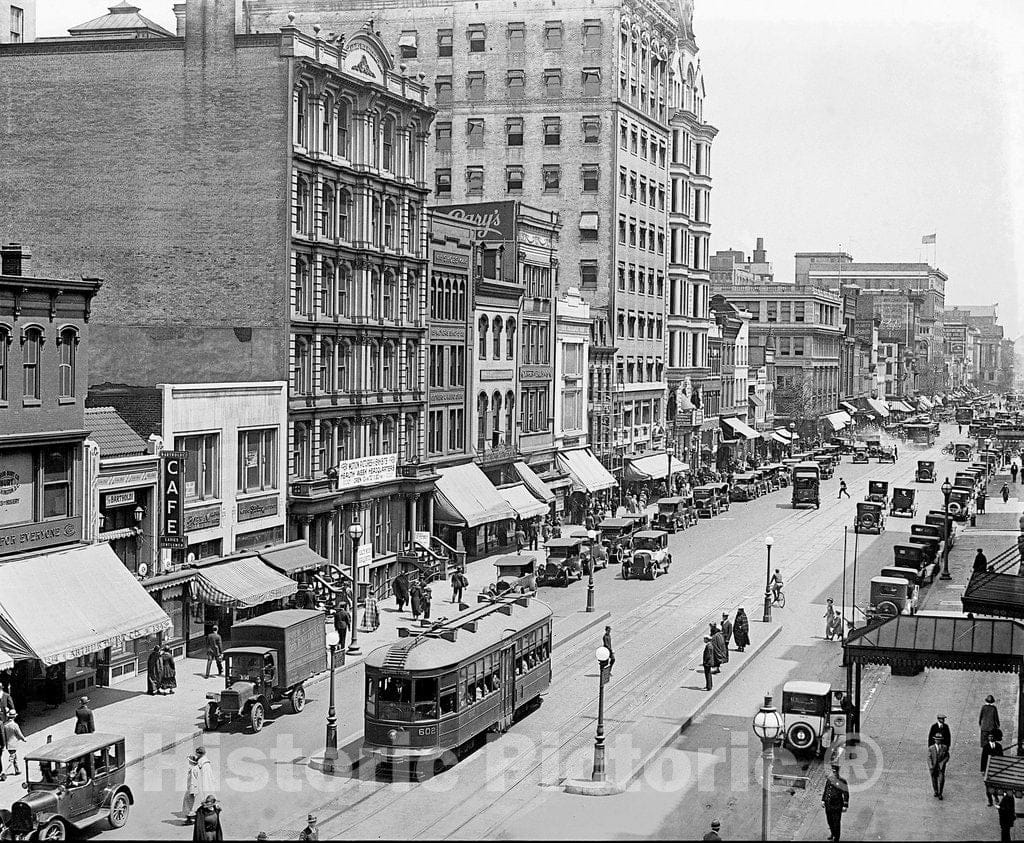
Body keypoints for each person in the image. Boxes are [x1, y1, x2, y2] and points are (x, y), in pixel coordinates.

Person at [821, 763, 849, 841]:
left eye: (835, 772)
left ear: (837, 772)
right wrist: (823, 800)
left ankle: (836, 838)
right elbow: (826, 790)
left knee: (836, 822)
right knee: (830, 821)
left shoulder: (842, 781)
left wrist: (845, 805)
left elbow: (846, 793)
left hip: (837, 805)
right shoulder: (829, 779)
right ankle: (833, 833)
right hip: (828, 804)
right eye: (833, 771)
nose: (834, 773)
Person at [982, 730, 1004, 805]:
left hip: (996, 769)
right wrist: (983, 770)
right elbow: (983, 759)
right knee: (987, 786)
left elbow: (1001, 758)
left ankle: (996, 797)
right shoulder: (986, 747)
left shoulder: (999, 746)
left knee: (995, 785)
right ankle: (990, 800)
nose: (990, 738)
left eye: (992, 736)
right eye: (989, 736)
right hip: (988, 769)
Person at [2, 711, 25, 777]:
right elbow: (19, 733)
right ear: (14, 717)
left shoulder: (5, 725)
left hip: (7, 744)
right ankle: (4, 772)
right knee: (11, 759)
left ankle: (17, 770)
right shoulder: (14, 725)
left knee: (15, 757)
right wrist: (23, 739)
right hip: (13, 744)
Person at [928, 731, 950, 799]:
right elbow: (929, 757)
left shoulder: (944, 747)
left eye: (939, 740)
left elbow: (947, 756)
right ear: (935, 740)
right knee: (934, 780)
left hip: (941, 767)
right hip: (934, 767)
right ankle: (936, 791)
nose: (938, 741)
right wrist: (931, 766)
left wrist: (943, 762)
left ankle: (940, 793)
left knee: (941, 780)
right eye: (937, 739)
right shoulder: (931, 748)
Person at [182, 754, 200, 825]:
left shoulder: (193, 769)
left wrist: (192, 790)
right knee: (189, 803)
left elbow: (193, 780)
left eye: (189, 761)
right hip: (192, 788)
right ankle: (191, 817)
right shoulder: (195, 768)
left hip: (192, 788)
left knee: (188, 803)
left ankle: (190, 819)